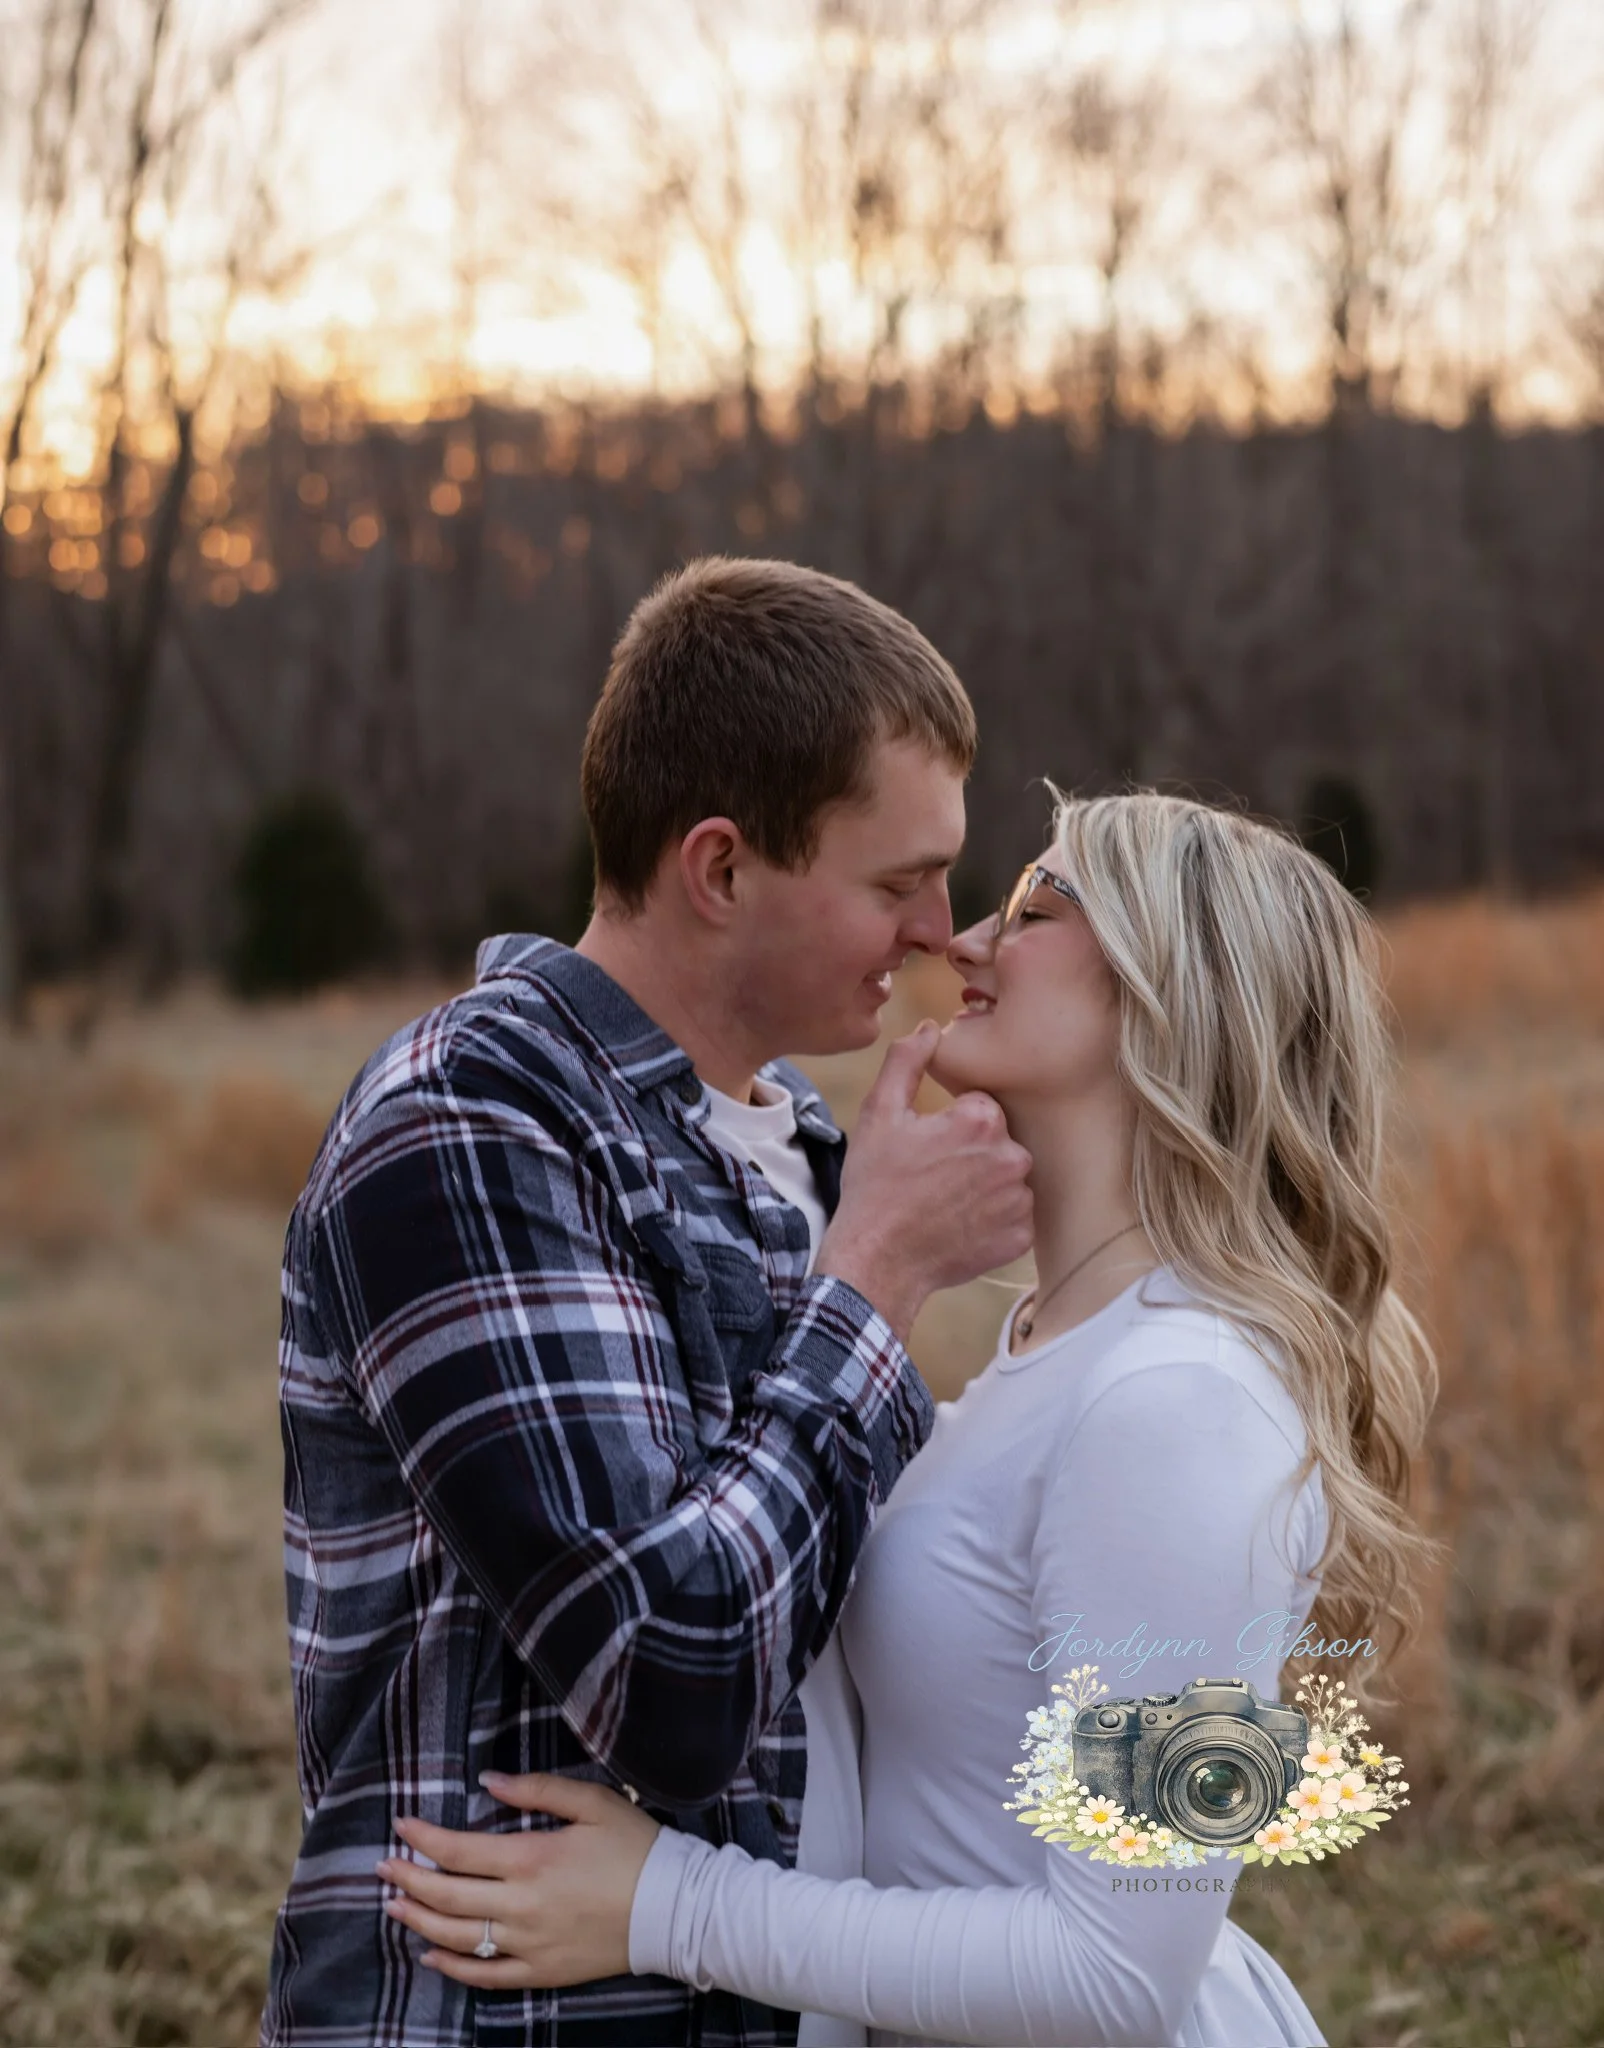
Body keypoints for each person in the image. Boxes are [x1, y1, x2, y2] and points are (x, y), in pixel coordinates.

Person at [375, 790, 1441, 2048]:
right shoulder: (1049, 1354)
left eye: (1036, 907)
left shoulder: (1182, 1403)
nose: (964, 941)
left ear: (1173, 988)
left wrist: (674, 1903)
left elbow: (1117, 1974)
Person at [260, 555, 1037, 2048]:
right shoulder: (474, 1128)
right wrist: (874, 1283)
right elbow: (670, 1679)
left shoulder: (802, 1144)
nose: (942, 931)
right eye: (895, 882)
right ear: (723, 869)